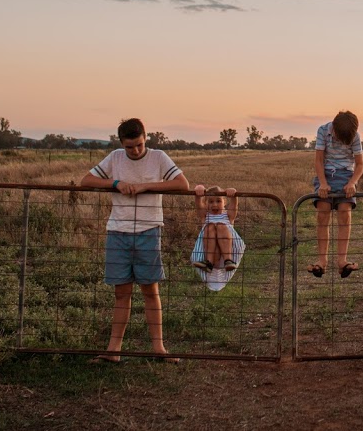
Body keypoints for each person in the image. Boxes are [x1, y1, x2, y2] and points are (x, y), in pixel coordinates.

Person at [81, 118, 189, 363]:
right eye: (130, 147)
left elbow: (182, 184)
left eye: (139, 145)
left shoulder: (159, 157)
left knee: (150, 290)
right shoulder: (115, 158)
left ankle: (159, 349)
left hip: (148, 230)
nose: (136, 151)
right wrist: (116, 183)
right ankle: (113, 351)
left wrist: (144, 187)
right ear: (121, 143)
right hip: (118, 231)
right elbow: (86, 180)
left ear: (145, 138)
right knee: (122, 292)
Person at [307, 110, 363, 278]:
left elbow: (360, 164)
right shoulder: (323, 131)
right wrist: (323, 183)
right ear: (334, 128)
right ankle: (322, 261)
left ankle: (342, 261)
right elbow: (318, 160)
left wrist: (352, 183)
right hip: (325, 173)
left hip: (346, 174)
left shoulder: (355, 135)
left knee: (344, 215)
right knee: (323, 215)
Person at [190, 184, 245, 291]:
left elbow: (234, 206)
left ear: (224, 202)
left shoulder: (228, 216)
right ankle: (208, 263)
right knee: (210, 227)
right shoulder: (205, 216)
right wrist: (198, 193)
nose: (214, 204)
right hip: (211, 250)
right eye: (210, 201)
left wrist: (233, 195)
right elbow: (198, 205)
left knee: (221, 226)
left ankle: (228, 260)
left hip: (226, 248)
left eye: (218, 201)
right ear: (206, 204)